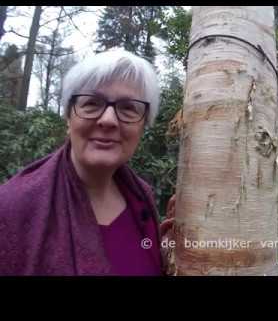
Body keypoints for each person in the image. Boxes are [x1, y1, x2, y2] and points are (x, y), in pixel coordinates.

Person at [0, 49, 175, 276]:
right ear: (68, 117)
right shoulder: (13, 208)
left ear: (143, 126)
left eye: (128, 108)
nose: (108, 120)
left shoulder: (142, 198)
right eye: (92, 103)